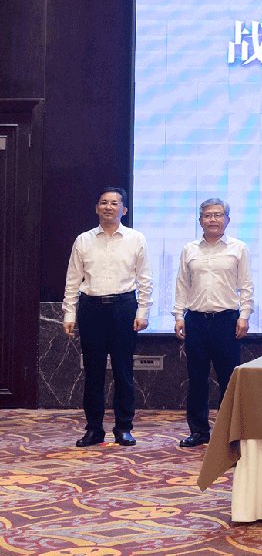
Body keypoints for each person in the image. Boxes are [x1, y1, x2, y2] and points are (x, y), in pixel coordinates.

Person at [62, 188, 153, 447]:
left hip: (123, 308)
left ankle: (123, 428)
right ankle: (94, 429)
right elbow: (73, 279)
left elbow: (145, 279)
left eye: (114, 203)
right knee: (93, 373)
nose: (108, 207)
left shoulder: (136, 239)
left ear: (124, 209)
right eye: (103, 202)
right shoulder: (83, 240)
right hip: (91, 309)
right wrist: (69, 312)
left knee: (124, 371)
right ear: (96, 208)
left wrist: (143, 312)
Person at [173, 198, 253, 448]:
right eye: (208, 215)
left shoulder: (238, 248)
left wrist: (244, 315)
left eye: (218, 215)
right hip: (196, 320)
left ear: (227, 220)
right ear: (200, 221)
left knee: (229, 379)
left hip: (226, 321)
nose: (213, 220)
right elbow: (182, 284)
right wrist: (178, 315)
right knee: (197, 379)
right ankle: (199, 431)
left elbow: (246, 285)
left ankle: (229, 433)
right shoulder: (189, 249)